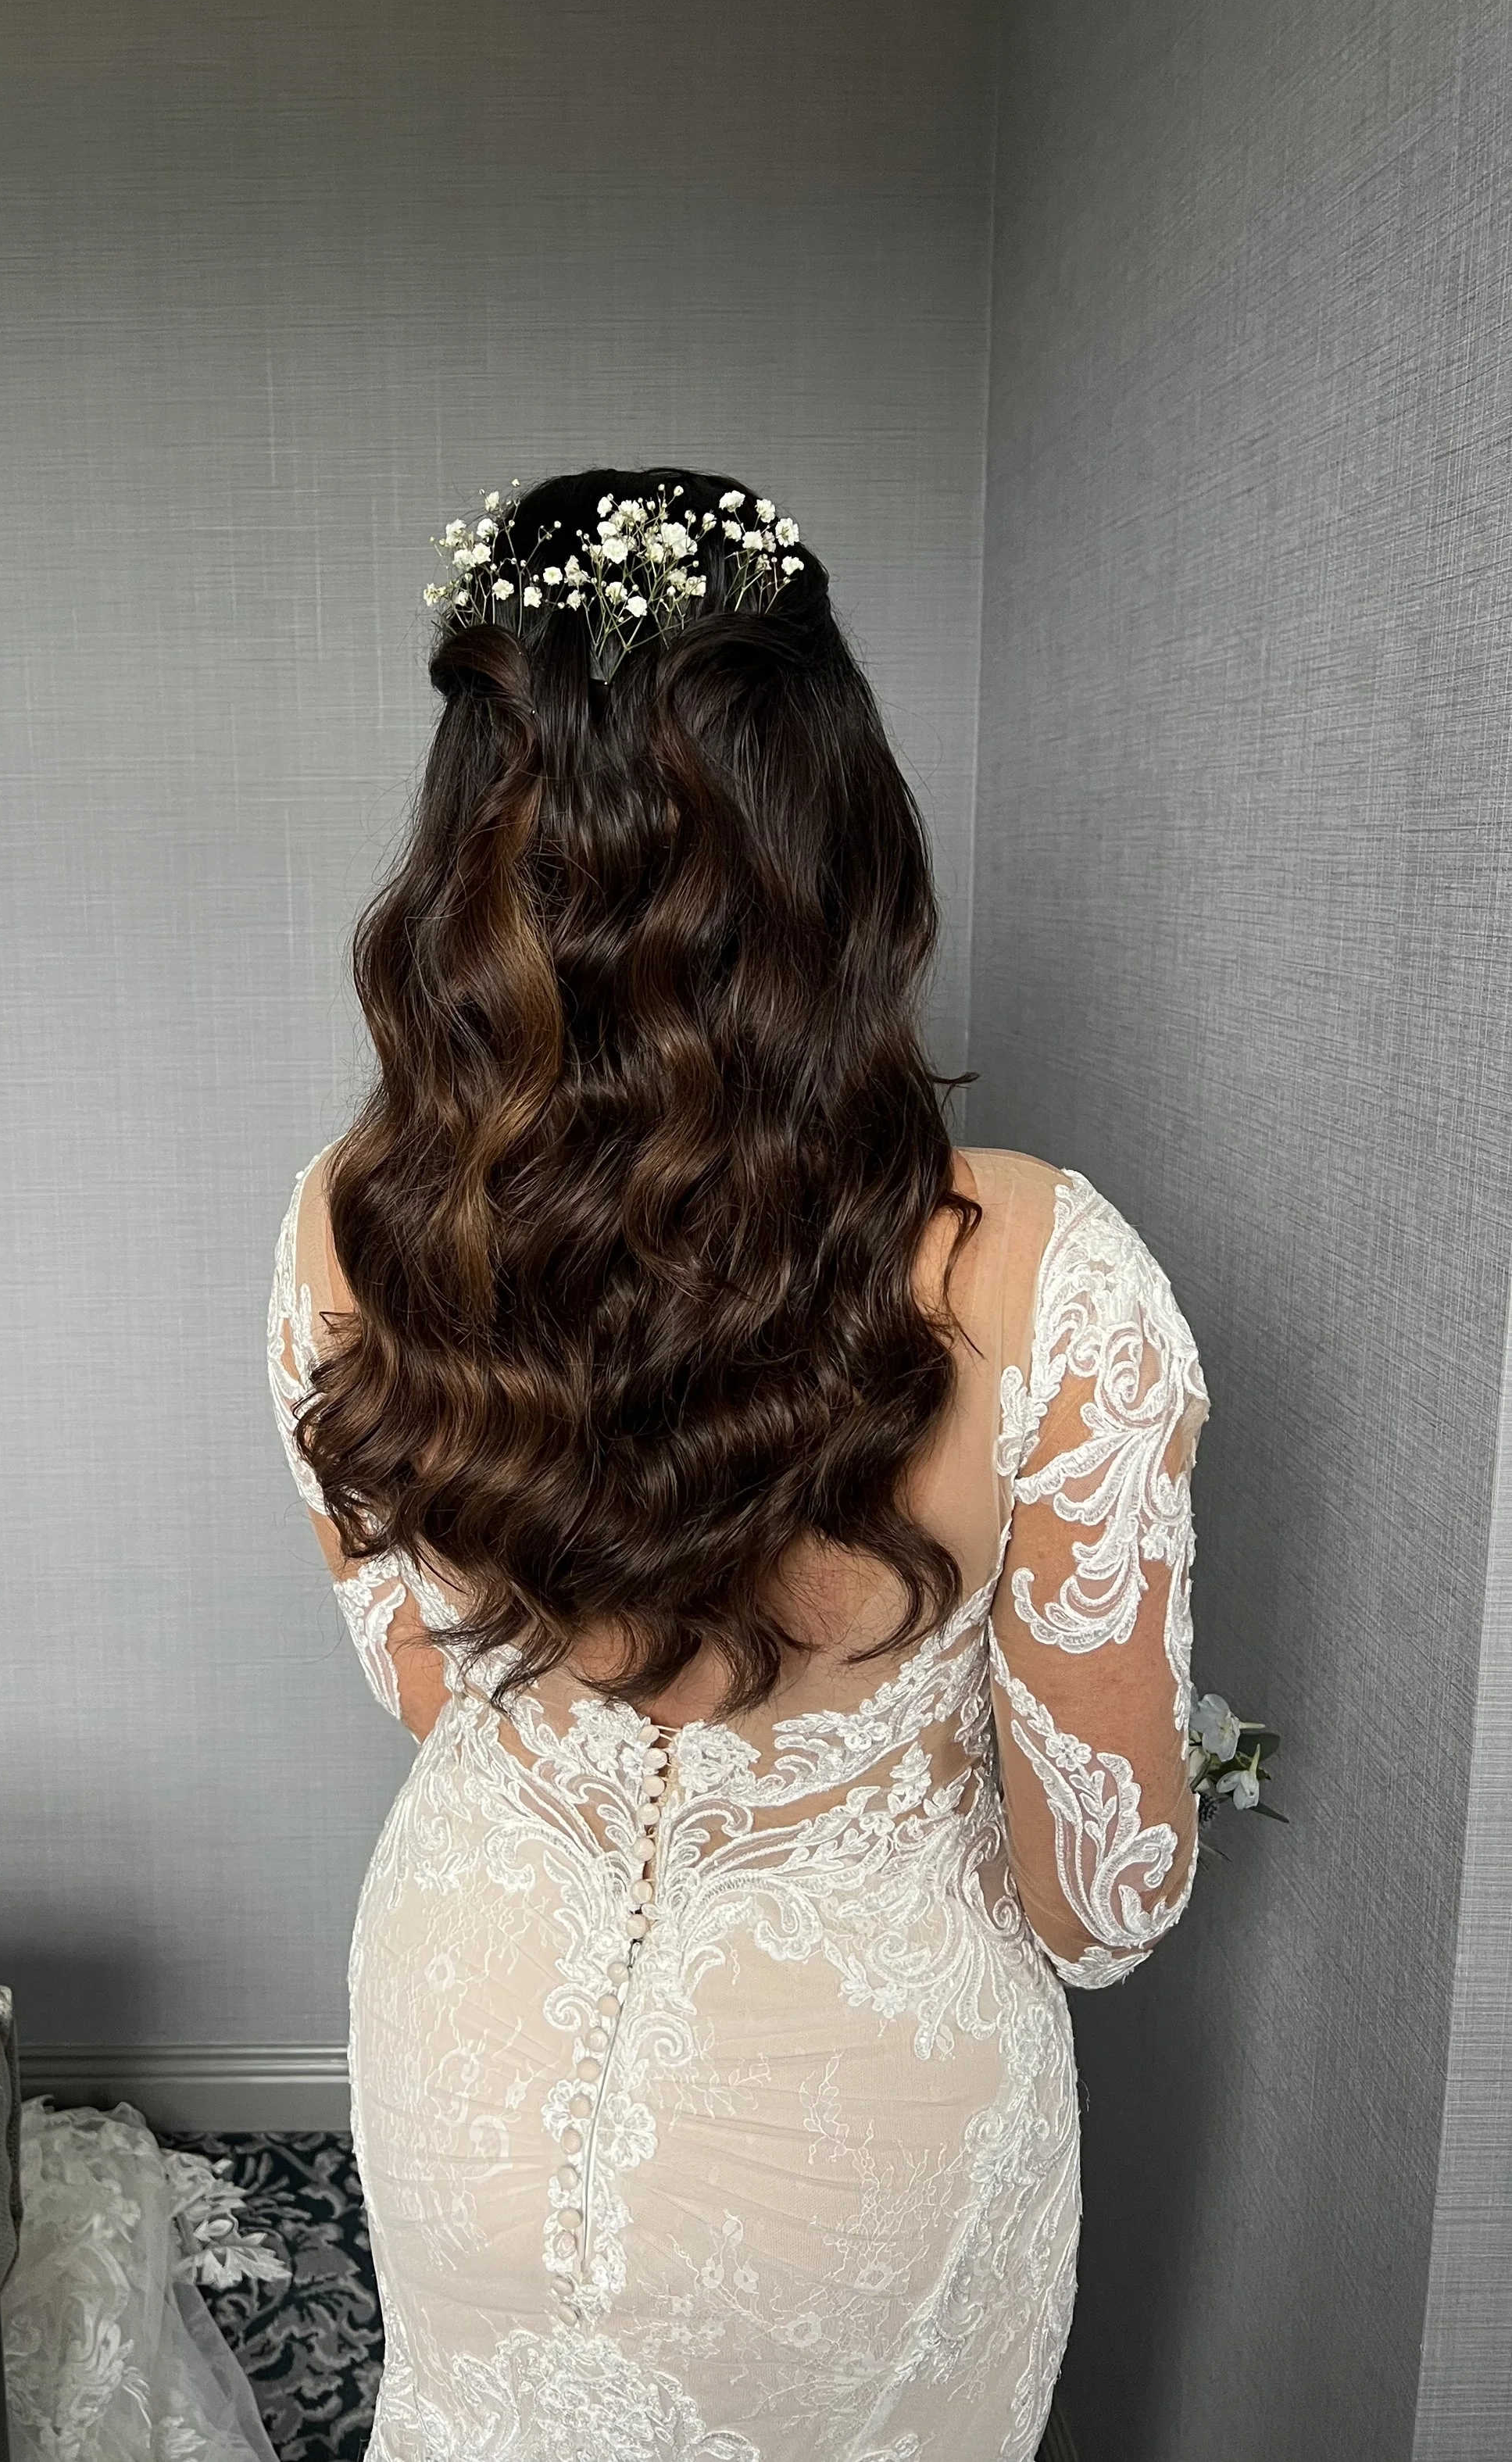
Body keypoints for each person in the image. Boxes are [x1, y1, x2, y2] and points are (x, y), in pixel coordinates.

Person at [266, 466, 1210, 2462]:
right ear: (835, 830)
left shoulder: (355, 1217)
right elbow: (1098, 1907)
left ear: (467, 842)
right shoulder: (1043, 1273)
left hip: (467, 2052)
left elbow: (431, 1685)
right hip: (850, 2163)